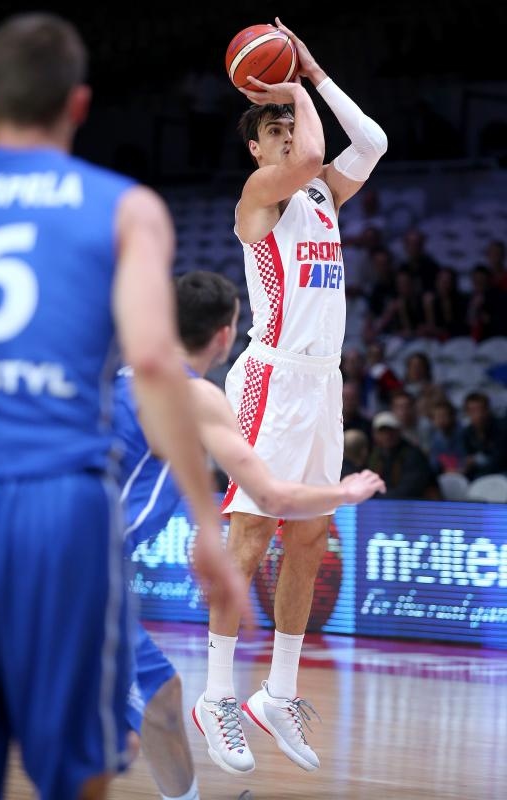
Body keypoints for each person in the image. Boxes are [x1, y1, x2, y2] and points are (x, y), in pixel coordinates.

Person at [0, 14, 247, 800]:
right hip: (63, 507)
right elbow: (157, 362)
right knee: (77, 762)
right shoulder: (125, 208)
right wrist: (205, 524)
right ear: (81, 105)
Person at [196, 16, 388, 776]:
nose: (287, 134)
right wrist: (294, 87)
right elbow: (312, 150)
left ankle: (275, 693)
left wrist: (313, 72)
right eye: (270, 126)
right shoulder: (262, 197)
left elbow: (367, 141)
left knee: (308, 539)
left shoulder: (322, 197)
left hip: (322, 382)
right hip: (271, 378)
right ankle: (215, 695)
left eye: (288, 122)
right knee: (250, 536)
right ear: (255, 147)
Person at [116, 270, 385, 796]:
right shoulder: (198, 400)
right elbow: (276, 497)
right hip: (67, 573)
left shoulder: (112, 375)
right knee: (126, 719)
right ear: (226, 335)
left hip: (26, 549)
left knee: (156, 706)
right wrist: (345, 493)